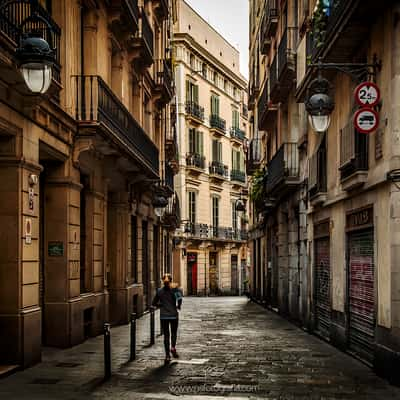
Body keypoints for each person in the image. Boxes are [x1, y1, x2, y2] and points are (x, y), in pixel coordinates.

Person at [152, 273, 183, 364]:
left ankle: (167, 356)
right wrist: (178, 306)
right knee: (173, 333)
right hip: (173, 315)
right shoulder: (175, 289)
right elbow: (180, 299)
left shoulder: (159, 291)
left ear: (162, 281)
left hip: (164, 316)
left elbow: (154, 303)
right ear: (171, 280)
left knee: (166, 335)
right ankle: (173, 347)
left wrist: (161, 305)